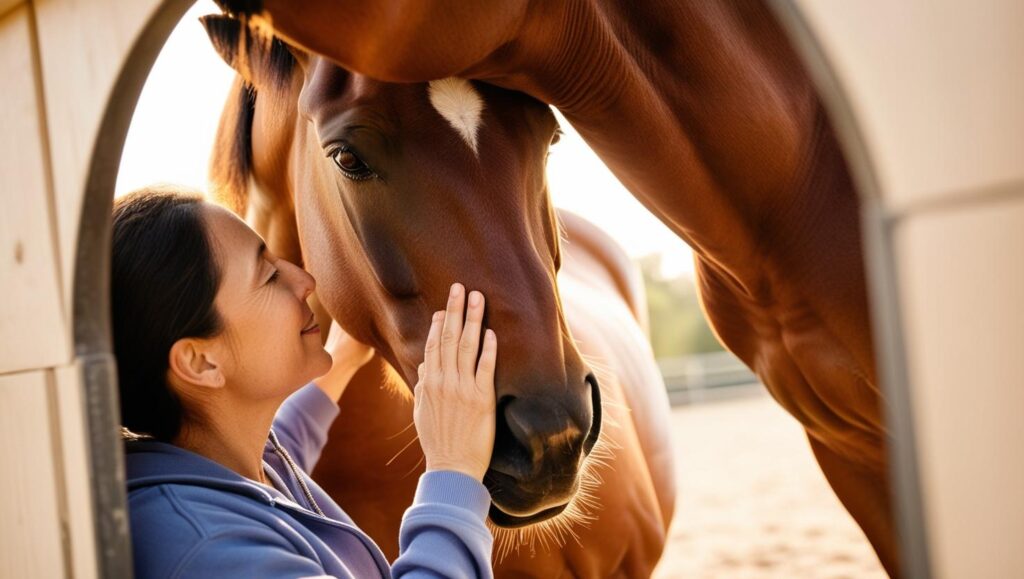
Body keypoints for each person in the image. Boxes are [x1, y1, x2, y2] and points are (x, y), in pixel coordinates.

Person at [112, 186, 498, 578]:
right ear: (201, 362)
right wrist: (454, 471)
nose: (304, 280)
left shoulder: (217, 459)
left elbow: (281, 447)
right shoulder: (207, 548)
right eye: (269, 276)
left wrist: (341, 362)